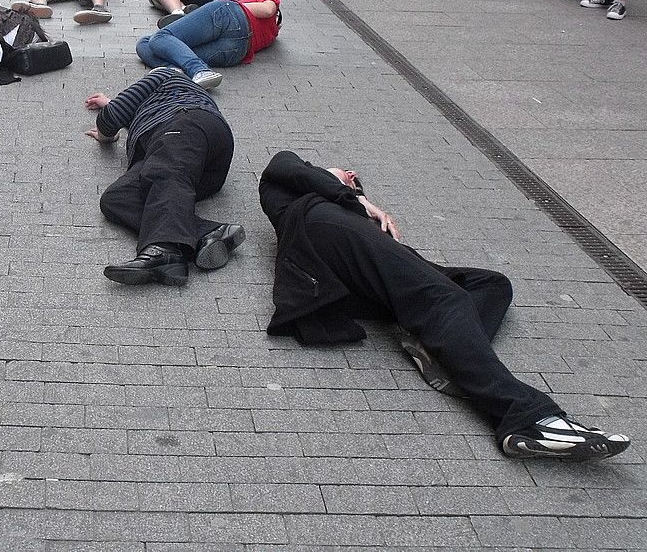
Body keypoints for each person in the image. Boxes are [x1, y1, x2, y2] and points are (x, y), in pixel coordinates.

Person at [257, 150, 631, 462]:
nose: (353, 175)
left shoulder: (357, 220)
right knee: (445, 299)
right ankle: (526, 417)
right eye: (346, 173)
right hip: (324, 231)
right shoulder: (300, 193)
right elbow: (278, 165)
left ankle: (439, 352)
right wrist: (357, 199)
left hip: (361, 278)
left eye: (356, 180)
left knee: (490, 284)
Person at [87, 68, 243, 287]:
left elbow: (113, 115)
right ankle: (208, 234)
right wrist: (111, 103)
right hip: (197, 163)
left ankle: (165, 251)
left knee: (163, 172)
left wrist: (105, 137)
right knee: (116, 198)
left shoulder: (164, 75)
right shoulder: (160, 103)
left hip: (187, 125)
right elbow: (132, 111)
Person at [136, 0, 280, 88]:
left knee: (159, 38)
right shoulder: (271, 35)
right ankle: (176, 69)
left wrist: (202, 13)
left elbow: (268, 10)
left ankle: (199, 70)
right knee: (146, 44)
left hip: (228, 14)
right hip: (237, 51)